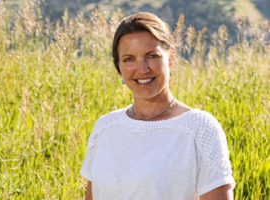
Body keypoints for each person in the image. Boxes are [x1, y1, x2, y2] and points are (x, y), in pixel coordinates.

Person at [80, 12, 235, 200]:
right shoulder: (105, 127)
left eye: (152, 56)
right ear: (119, 66)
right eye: (129, 59)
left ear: (170, 58)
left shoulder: (200, 127)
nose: (143, 69)